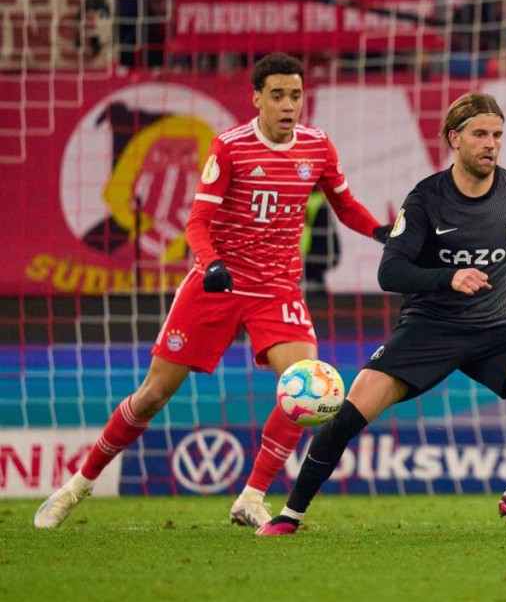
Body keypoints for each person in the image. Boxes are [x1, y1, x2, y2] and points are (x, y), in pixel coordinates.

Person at [34, 52, 391, 529]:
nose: (289, 105)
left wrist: (379, 231)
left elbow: (344, 205)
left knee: (303, 386)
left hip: (277, 288)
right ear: (257, 99)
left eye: (296, 96)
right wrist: (212, 262)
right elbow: (198, 220)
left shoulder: (318, 147)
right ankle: (77, 485)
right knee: (153, 395)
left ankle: (251, 496)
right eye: (279, 96)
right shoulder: (230, 147)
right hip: (217, 285)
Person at [256, 92, 506, 536]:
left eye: (498, 135)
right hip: (428, 331)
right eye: (480, 135)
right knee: (349, 416)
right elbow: (390, 271)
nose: (491, 144)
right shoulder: (427, 199)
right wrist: (448, 277)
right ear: (455, 138)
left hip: (494, 329)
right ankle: (289, 515)